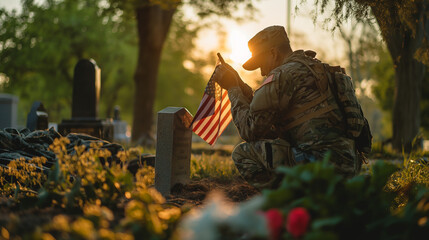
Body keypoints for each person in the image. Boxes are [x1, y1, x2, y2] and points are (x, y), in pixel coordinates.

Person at [212, 25, 369, 190]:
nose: (262, 72)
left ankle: (290, 198)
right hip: (349, 167)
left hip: (321, 169)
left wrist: (232, 89)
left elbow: (250, 130)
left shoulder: (282, 75)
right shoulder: (316, 68)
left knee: (243, 153)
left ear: (273, 53)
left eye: (261, 63)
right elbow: (267, 118)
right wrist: (241, 86)